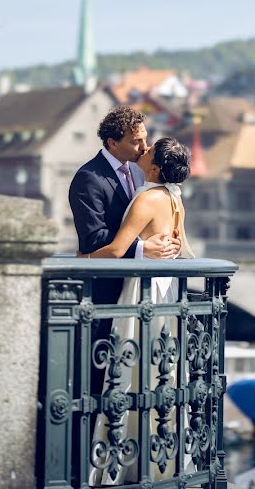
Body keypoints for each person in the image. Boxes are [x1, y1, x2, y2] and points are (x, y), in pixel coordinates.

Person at [85, 136, 194, 486]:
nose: (143, 151)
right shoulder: (175, 200)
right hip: (167, 293)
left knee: (128, 370)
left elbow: (117, 250)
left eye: (149, 150)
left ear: (156, 167)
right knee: (160, 372)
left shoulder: (147, 199)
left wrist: (82, 260)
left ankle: (116, 463)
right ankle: (159, 461)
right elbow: (181, 249)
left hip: (141, 293)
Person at [68, 106, 181, 394]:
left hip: (137, 291)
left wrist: (168, 242)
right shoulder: (88, 178)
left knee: (138, 374)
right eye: (136, 142)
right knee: (101, 378)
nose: (144, 147)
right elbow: (93, 238)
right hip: (106, 293)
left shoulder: (140, 170)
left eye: (145, 140)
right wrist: (143, 249)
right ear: (112, 143)